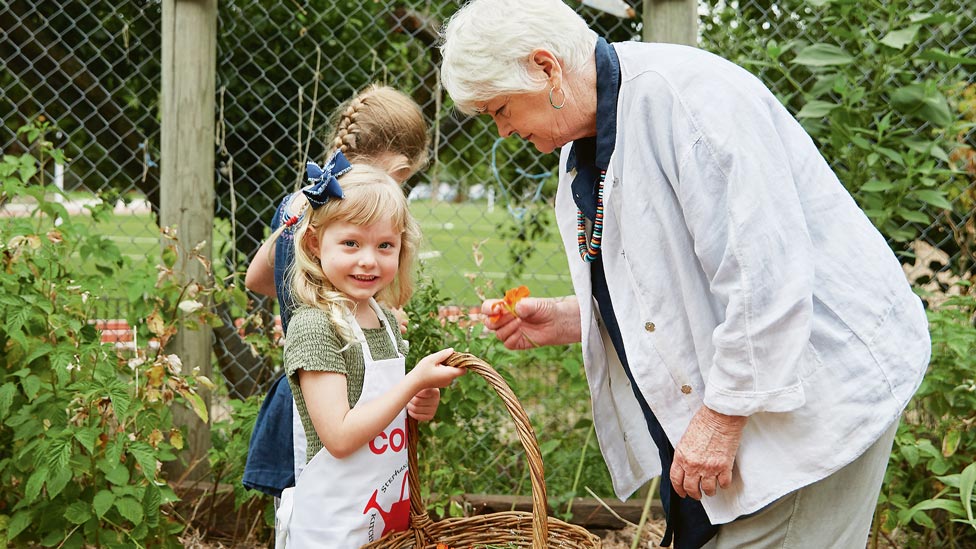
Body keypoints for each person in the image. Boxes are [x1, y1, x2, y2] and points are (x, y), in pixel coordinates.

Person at [439, 1, 931, 548]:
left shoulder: (691, 102)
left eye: (501, 109)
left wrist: (721, 417)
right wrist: (577, 316)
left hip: (818, 384)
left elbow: (765, 279)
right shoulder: (588, 132)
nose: (503, 131)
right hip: (760, 382)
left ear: (545, 67)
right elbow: (670, 272)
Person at [242, 84, 432, 500]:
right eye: (405, 180)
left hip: (310, 390)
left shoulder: (300, 206)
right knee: (312, 512)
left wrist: (299, 291)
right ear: (397, 170)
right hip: (328, 396)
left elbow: (256, 278)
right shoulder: (365, 226)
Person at [278, 153, 465, 547]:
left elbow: (392, 413)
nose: (368, 260)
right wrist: (412, 382)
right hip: (332, 527)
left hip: (380, 515)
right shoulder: (315, 326)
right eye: (350, 243)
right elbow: (340, 437)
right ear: (315, 243)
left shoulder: (384, 320)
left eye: (385, 245)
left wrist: (419, 401)